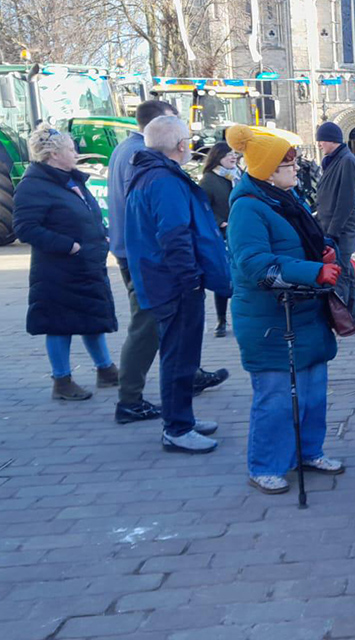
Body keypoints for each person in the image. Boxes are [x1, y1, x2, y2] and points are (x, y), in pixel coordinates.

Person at [224, 125, 344, 494]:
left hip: (305, 313)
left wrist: (325, 253)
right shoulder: (248, 208)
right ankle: (266, 464)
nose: (296, 168)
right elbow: (256, 265)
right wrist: (314, 271)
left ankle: (308, 451)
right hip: (271, 320)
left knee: (312, 390)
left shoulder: (287, 199)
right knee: (275, 396)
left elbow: (305, 240)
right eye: (288, 163)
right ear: (268, 170)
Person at [109, 100, 228, 425]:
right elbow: (171, 231)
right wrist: (189, 278)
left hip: (151, 263)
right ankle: (140, 403)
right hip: (161, 271)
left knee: (171, 341)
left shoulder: (136, 156)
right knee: (153, 332)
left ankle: (181, 403)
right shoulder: (157, 173)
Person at [14, 126, 119, 400]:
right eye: (71, 149)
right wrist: (68, 246)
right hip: (58, 270)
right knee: (59, 325)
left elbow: (85, 215)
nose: (76, 153)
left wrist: (100, 236)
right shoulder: (34, 185)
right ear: (53, 154)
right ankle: (62, 381)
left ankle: (106, 370)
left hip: (85, 265)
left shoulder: (70, 180)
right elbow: (25, 228)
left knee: (92, 319)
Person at [314, 121, 355, 324]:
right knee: (346, 273)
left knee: (340, 274)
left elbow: (346, 201)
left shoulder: (347, 161)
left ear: (330, 140)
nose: (319, 146)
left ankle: (341, 321)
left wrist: (332, 232)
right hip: (330, 225)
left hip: (341, 229)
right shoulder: (334, 160)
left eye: (320, 141)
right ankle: (350, 317)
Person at [199, 142, 241, 337]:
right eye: (228, 155)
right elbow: (203, 208)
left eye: (233, 154)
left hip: (241, 232)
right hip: (223, 235)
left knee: (242, 276)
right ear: (217, 158)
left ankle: (240, 317)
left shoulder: (238, 176)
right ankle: (221, 320)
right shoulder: (209, 180)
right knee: (224, 278)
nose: (233, 157)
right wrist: (220, 222)